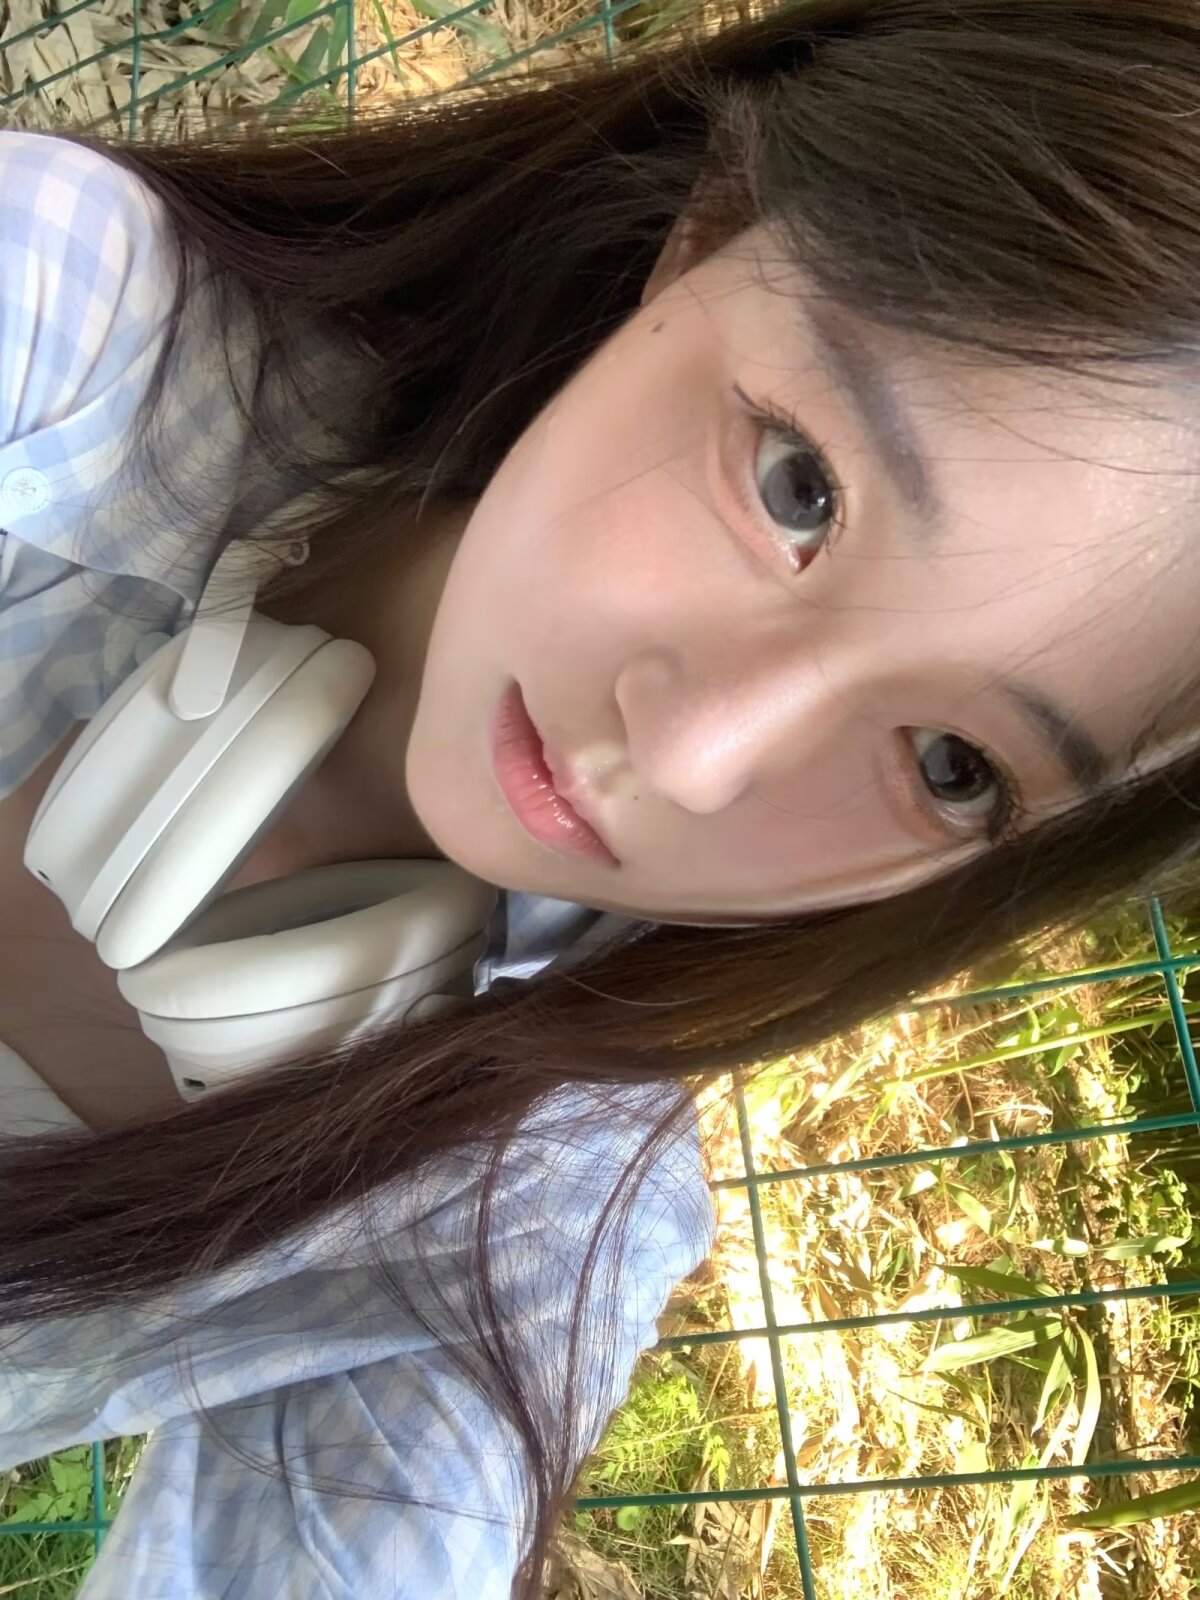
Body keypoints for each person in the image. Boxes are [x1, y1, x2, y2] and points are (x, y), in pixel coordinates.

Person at [2, 0, 1200, 1593]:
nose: (695, 761)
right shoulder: (64, 328)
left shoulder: (526, 1235)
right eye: (797, 487)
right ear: (706, 234)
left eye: (951, 766)